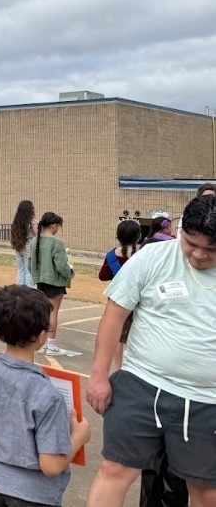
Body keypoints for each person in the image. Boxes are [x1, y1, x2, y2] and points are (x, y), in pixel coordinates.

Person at [85, 196, 216, 507]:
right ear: (181, 230)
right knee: (114, 469)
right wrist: (99, 376)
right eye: (190, 243)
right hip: (143, 384)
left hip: (207, 400)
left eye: (210, 249)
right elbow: (114, 314)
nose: (198, 254)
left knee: (206, 491)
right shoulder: (153, 257)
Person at [0, 285, 91, 507]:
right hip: (34, 495)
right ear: (41, 336)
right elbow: (50, 465)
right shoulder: (47, 394)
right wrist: (80, 436)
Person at [97, 219, 142, 370]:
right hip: (141, 301)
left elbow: (102, 275)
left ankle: (120, 367)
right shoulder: (144, 252)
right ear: (138, 235)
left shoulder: (112, 255)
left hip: (118, 301)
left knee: (118, 337)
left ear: (118, 235)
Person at [30, 212, 72, 356]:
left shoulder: (35, 241)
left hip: (40, 281)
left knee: (45, 312)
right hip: (55, 281)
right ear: (54, 225)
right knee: (53, 312)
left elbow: (30, 262)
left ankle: (42, 343)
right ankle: (51, 346)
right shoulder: (57, 243)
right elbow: (61, 265)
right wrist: (70, 272)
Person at [10, 200, 38, 288]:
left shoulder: (17, 221)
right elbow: (37, 234)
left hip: (19, 246)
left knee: (21, 270)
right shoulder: (32, 221)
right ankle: (29, 293)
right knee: (29, 271)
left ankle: (20, 291)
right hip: (29, 246)